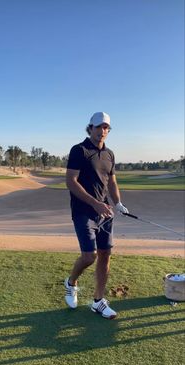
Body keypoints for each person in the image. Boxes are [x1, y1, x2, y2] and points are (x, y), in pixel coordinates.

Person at [64, 111, 129, 319]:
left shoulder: (109, 154)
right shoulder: (79, 150)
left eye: (106, 128)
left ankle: (98, 301)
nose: (103, 131)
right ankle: (71, 282)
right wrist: (96, 203)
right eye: (99, 127)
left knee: (105, 254)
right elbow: (71, 182)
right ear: (90, 128)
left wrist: (117, 202)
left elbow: (112, 181)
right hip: (84, 211)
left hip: (105, 213)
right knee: (89, 256)